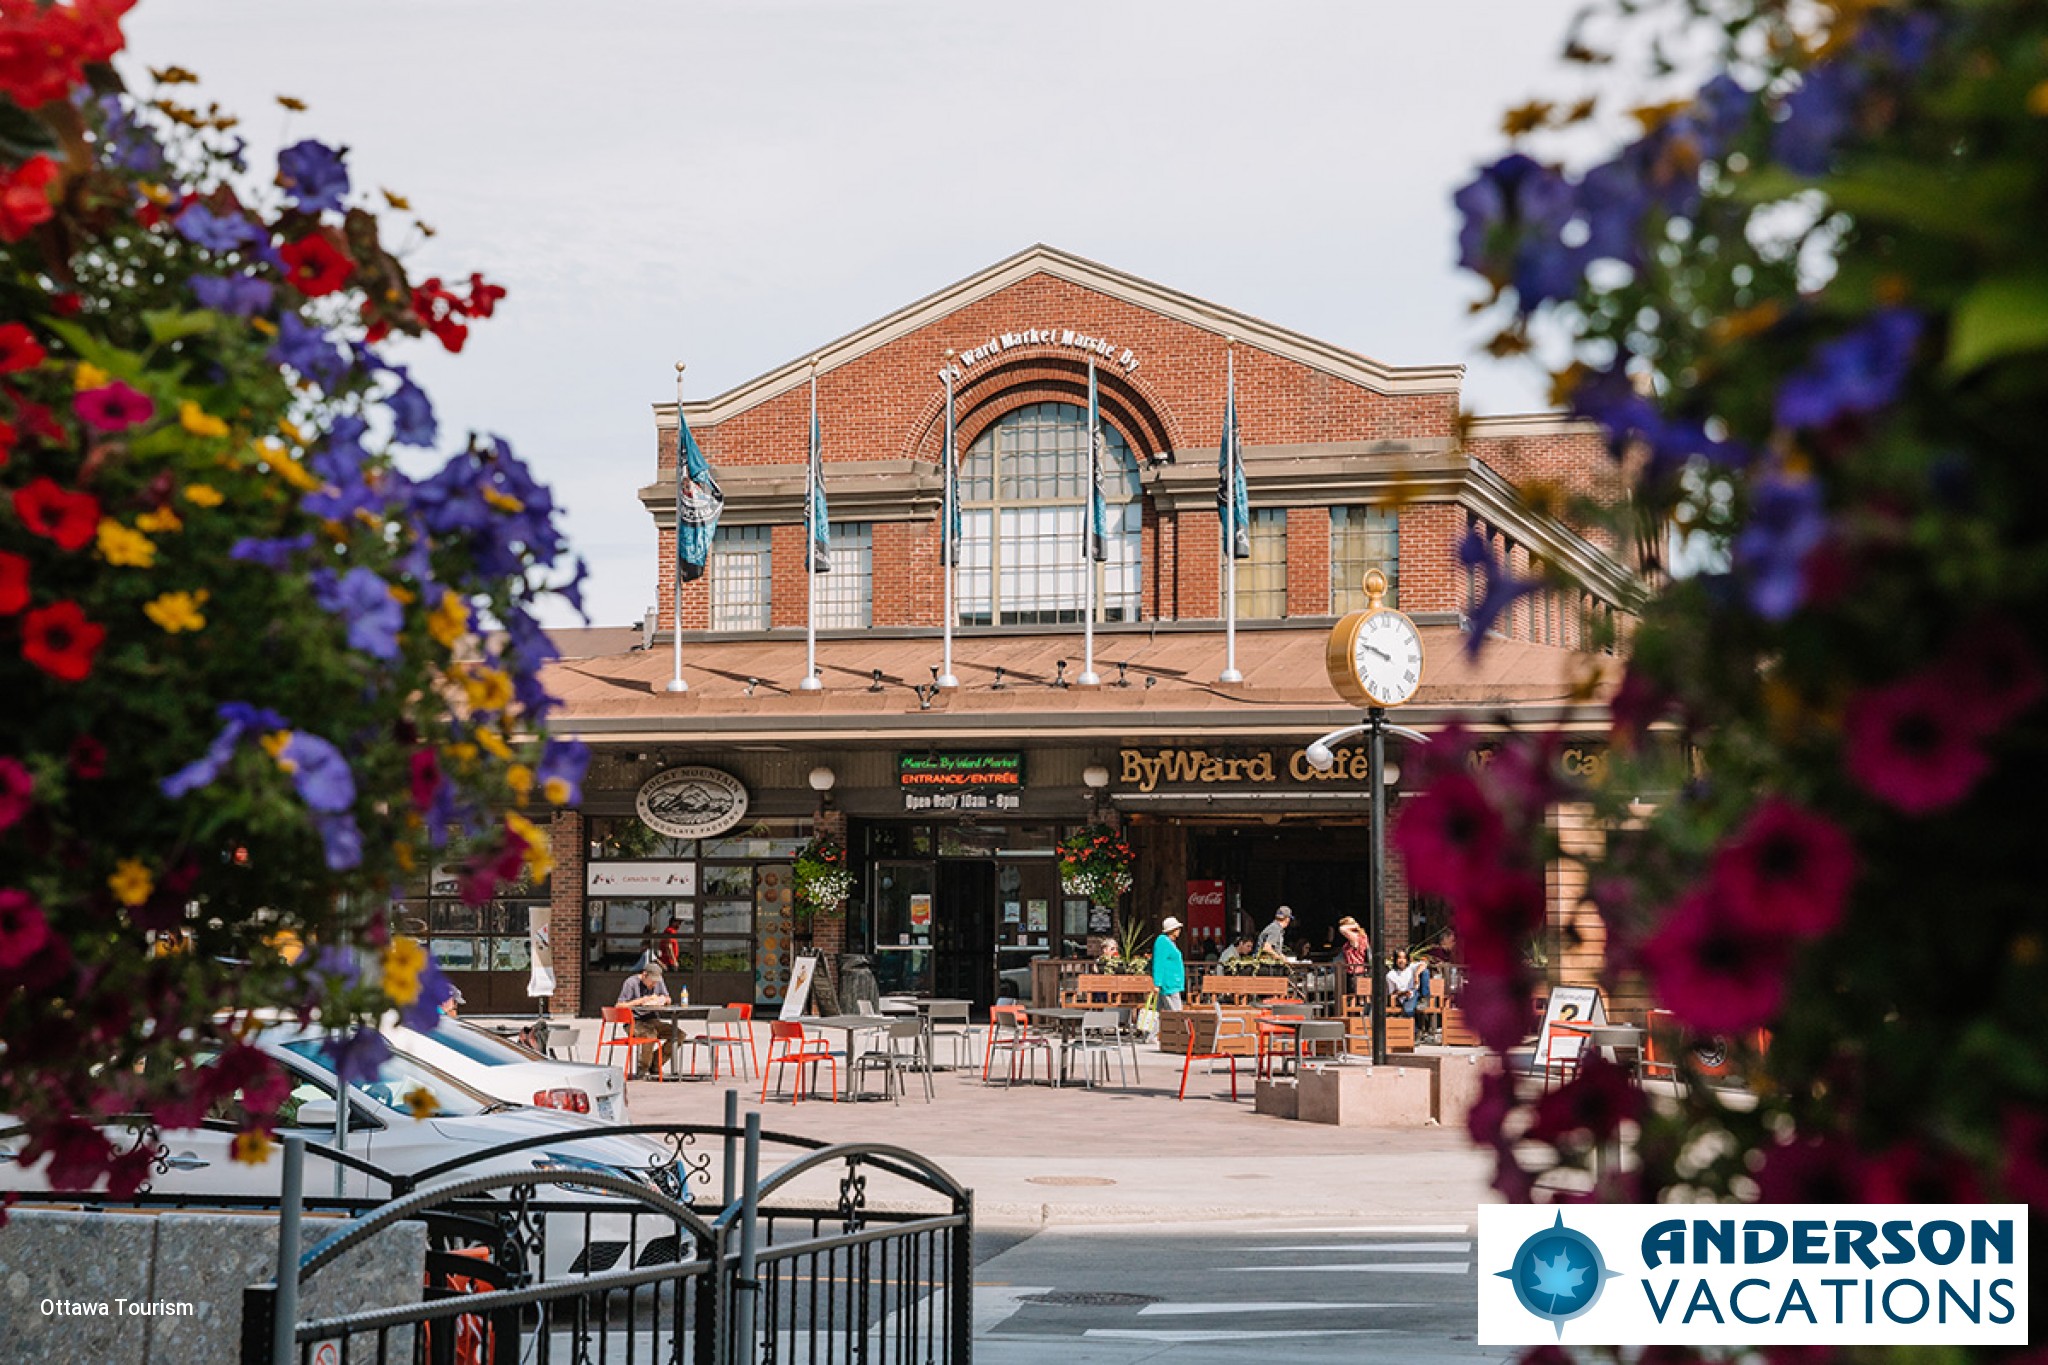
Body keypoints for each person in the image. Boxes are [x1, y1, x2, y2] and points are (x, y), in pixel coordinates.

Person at [617, 959, 682, 1079]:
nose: (654, 985)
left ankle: (656, 1064)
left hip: (652, 1019)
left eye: (656, 982)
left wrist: (664, 1000)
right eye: (652, 982)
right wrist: (640, 1001)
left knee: (678, 1034)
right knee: (650, 1035)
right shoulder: (631, 983)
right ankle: (643, 1068)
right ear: (644, 975)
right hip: (634, 1021)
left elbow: (668, 998)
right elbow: (619, 1006)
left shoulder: (659, 981)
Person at [1151, 916, 1187, 1012]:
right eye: (1177, 928)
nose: (1179, 930)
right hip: (1169, 984)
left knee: (1159, 1012)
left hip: (1172, 984)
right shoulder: (1162, 941)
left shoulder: (1170, 942)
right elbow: (1159, 962)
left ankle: (1155, 1027)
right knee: (1176, 1013)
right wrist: (1157, 984)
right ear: (1172, 930)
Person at [1385, 949, 1430, 1019]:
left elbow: (1424, 965)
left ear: (1407, 960)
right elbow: (1393, 993)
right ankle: (1415, 1029)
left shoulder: (1411, 967)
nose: (1402, 961)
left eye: (1404, 958)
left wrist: (1416, 974)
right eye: (1399, 958)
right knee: (1408, 1011)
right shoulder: (1390, 975)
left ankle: (1424, 998)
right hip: (1406, 997)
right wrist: (1403, 993)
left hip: (1417, 992)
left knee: (1425, 972)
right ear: (1395, 960)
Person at [1337, 916, 1372, 1001]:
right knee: (1362, 997)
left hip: (1356, 972)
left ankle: (1361, 1013)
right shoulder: (1362, 936)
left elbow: (1342, 929)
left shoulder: (1355, 937)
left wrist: (1354, 925)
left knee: (1358, 997)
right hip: (1361, 971)